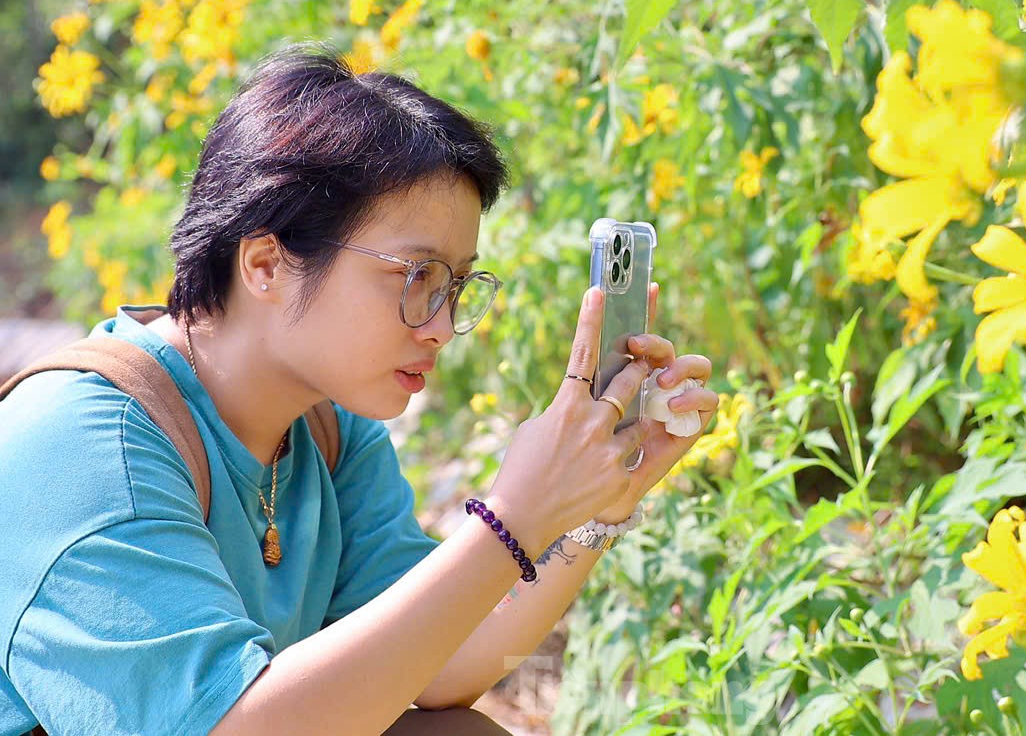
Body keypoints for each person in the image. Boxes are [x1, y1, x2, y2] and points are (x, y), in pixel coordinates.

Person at [0, 41, 717, 735]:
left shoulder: (326, 431)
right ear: (265, 265)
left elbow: (441, 669)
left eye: (458, 286)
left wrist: (595, 509)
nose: (442, 327)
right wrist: (511, 513)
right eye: (416, 278)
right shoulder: (85, 444)